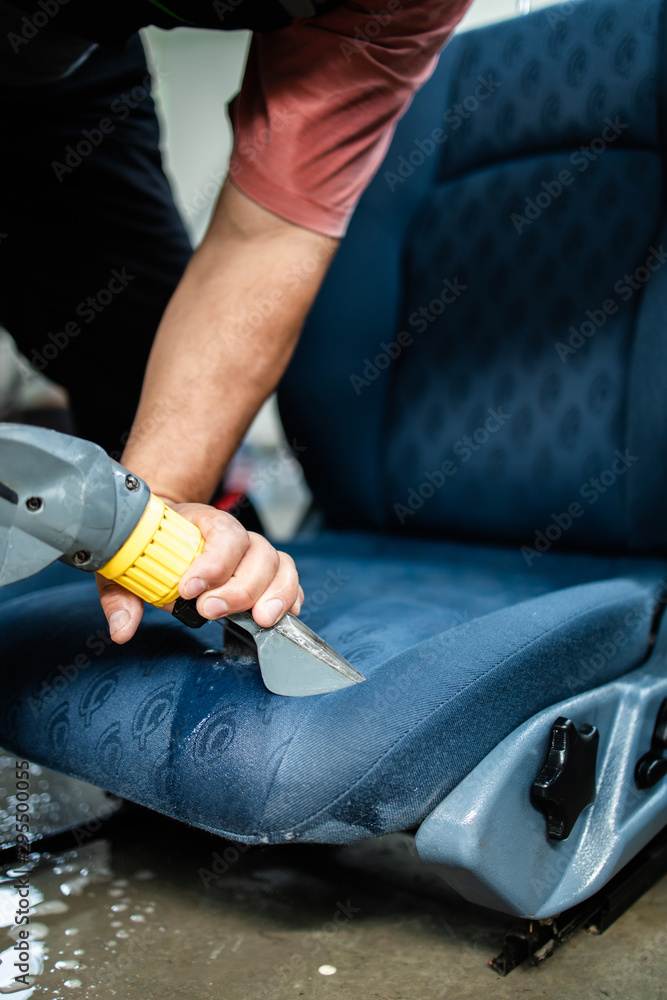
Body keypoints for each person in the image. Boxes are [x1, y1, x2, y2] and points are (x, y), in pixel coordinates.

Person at [0, 0, 472, 642]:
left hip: (65, 72)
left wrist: (149, 523)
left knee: (137, 361)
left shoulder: (403, 6)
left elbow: (263, 240)